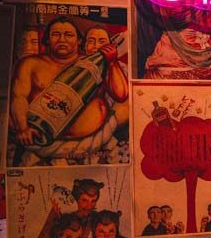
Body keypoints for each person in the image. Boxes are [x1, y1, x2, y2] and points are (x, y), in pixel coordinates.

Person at [9, 15, 129, 164]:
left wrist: (111, 62)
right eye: (56, 35)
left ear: (79, 40)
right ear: (47, 40)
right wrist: (22, 128)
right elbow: (18, 97)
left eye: (68, 35)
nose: (62, 39)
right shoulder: (31, 64)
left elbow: (122, 95)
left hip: (90, 146)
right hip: (38, 140)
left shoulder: (93, 63)